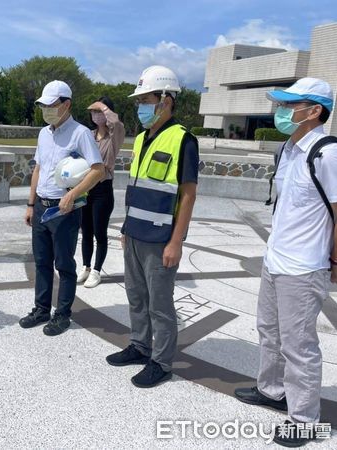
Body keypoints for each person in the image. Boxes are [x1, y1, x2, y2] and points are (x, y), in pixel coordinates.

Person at [234, 78, 337, 448]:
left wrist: (336, 262)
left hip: (304, 267)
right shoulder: (289, 149)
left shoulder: (329, 153)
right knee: (269, 331)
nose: (281, 111)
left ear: (314, 111)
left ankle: (304, 420)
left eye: (289, 105)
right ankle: (272, 390)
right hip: (275, 260)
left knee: (299, 346)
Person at [106, 66, 199, 387]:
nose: (141, 107)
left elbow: (188, 195)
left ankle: (161, 361)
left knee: (160, 305)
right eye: (139, 101)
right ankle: (139, 345)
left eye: (145, 100)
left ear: (166, 100)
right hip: (134, 233)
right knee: (136, 296)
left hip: (161, 239)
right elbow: (137, 186)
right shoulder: (143, 138)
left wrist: (177, 241)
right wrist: (125, 227)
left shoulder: (183, 139)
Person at [20, 80, 104, 336]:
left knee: (64, 264)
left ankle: (63, 314)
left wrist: (74, 194)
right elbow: (39, 168)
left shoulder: (80, 133)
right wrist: (30, 203)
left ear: (66, 105)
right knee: (42, 261)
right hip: (42, 207)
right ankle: (41, 308)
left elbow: (97, 170)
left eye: (51, 105)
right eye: (43, 105)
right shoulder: (44, 133)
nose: (46, 110)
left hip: (64, 209)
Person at [78, 96, 125, 288]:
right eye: (93, 111)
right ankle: (86, 266)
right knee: (86, 231)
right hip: (86, 188)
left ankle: (97, 270)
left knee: (100, 232)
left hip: (103, 190)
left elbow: (116, 123)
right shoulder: (88, 135)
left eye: (99, 111)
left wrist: (104, 107)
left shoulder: (114, 136)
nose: (95, 115)